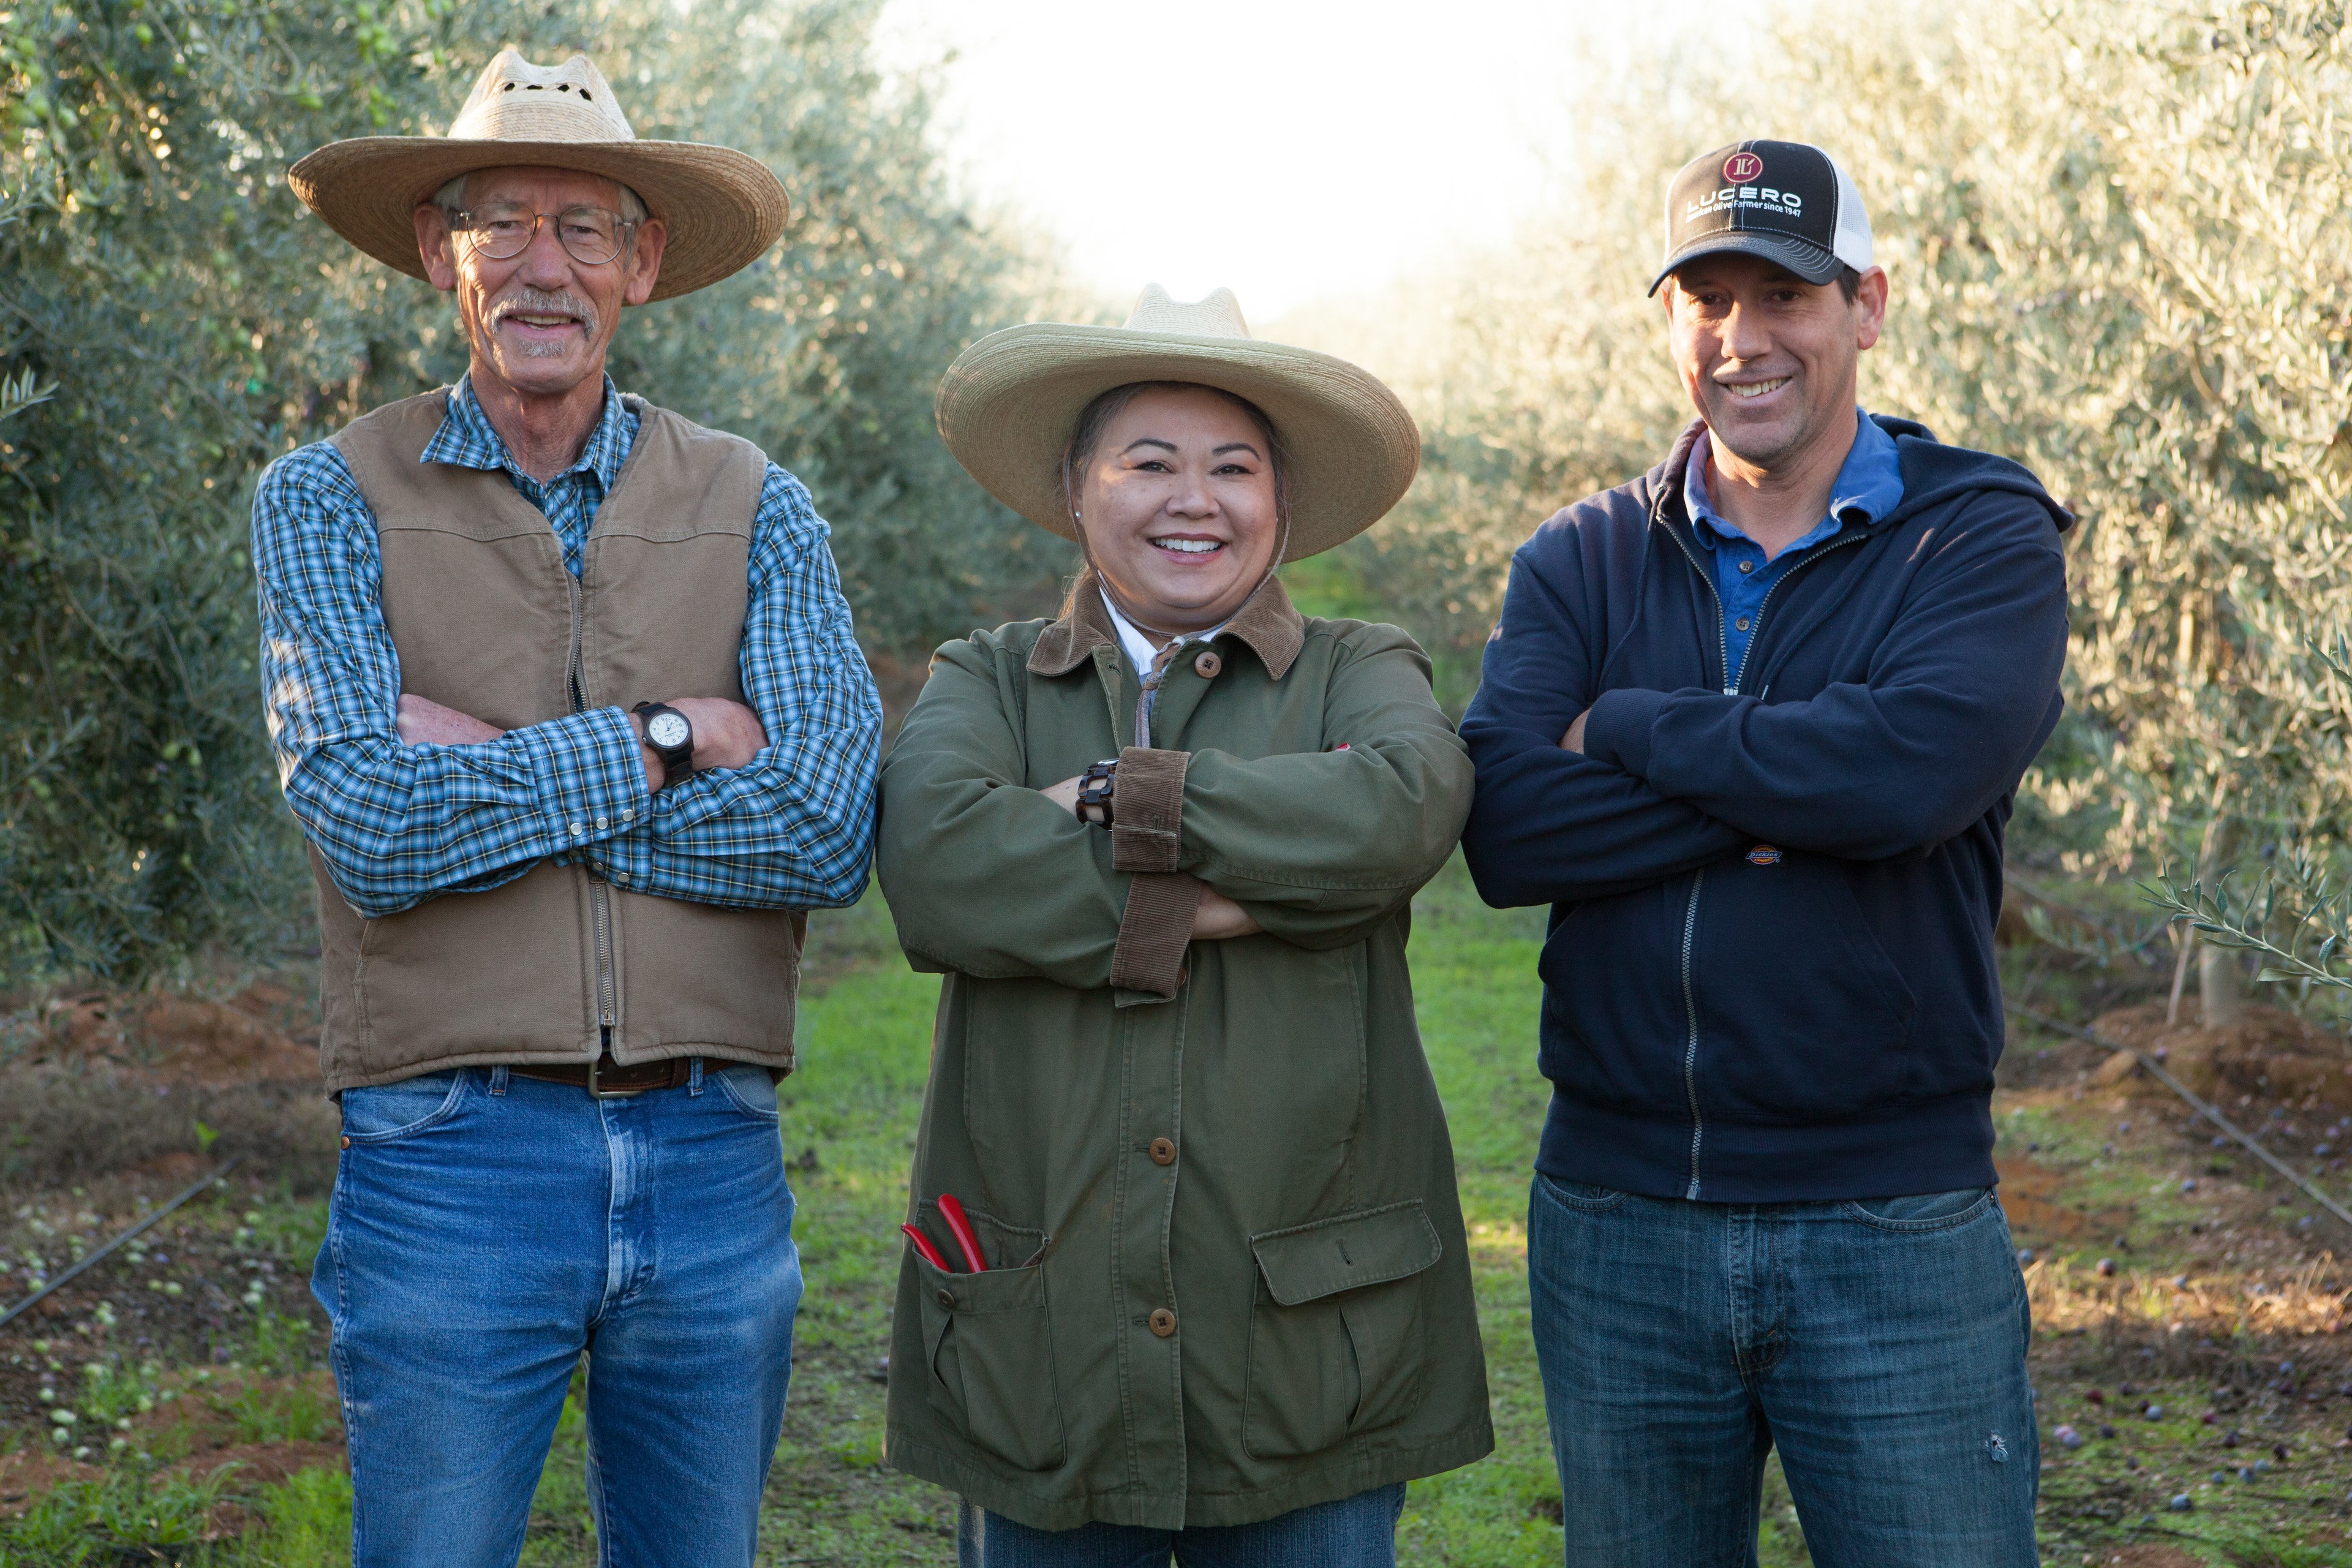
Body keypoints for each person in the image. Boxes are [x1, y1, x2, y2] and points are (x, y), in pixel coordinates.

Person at [254, 51, 880, 1568]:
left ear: (643, 263)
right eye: (504, 225)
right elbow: (373, 828)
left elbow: (823, 831)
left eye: (585, 229)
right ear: (436, 250)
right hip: (445, 1154)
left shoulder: (759, 501)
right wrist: (670, 734)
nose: (546, 267)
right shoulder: (326, 496)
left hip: (711, 1147)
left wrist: (497, 763)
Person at [1459, 139, 2070, 1565]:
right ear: (1668, 322)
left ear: (1866, 303)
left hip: (1894, 1217)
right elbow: (1502, 826)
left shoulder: (1975, 536)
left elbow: (1909, 777)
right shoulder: (1583, 555)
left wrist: (1625, 723)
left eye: (1784, 295)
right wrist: (1807, 771)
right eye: (1709, 299)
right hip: (1618, 1219)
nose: (1746, 340)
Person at [876, 285, 1493, 1566]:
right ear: (1075, 484)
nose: (1193, 500)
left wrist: (1108, 795)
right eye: (1149, 462)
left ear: (1280, 497)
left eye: (1233, 466)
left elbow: (1399, 812)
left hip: (1308, 1349)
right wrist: (1246, 893)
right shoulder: (983, 675)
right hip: (1039, 1338)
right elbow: (941, 870)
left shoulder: (1362, 663)